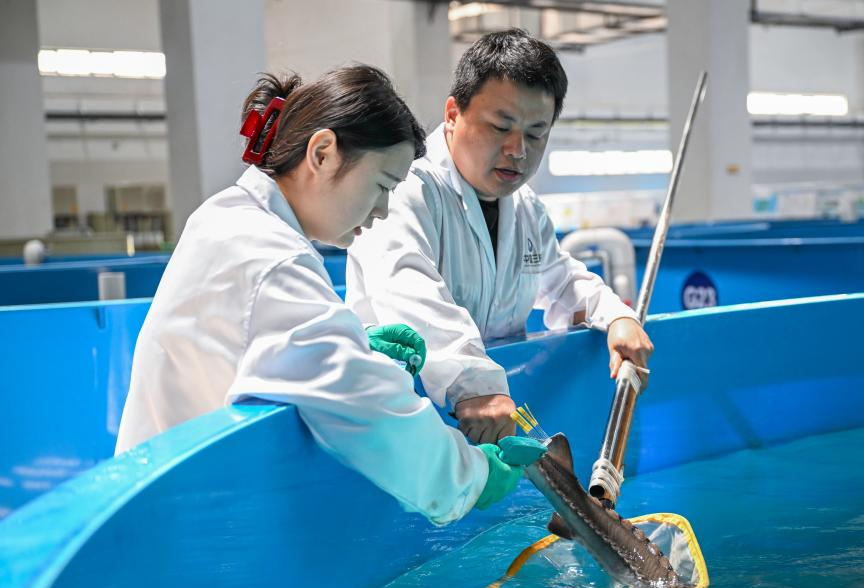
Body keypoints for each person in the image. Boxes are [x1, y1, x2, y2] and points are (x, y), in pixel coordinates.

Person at [115, 65, 545, 525]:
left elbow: (270, 345)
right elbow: (366, 409)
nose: (383, 211)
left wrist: (354, 344)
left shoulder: (232, 219)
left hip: (174, 508)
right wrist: (470, 474)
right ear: (322, 153)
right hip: (182, 524)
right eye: (382, 186)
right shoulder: (269, 256)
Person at [345, 29, 654, 445]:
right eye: (500, 126)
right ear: (452, 114)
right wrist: (474, 383)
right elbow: (408, 291)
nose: (518, 150)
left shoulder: (526, 207)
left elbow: (560, 279)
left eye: (536, 133)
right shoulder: (405, 189)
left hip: (494, 419)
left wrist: (615, 315)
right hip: (400, 426)